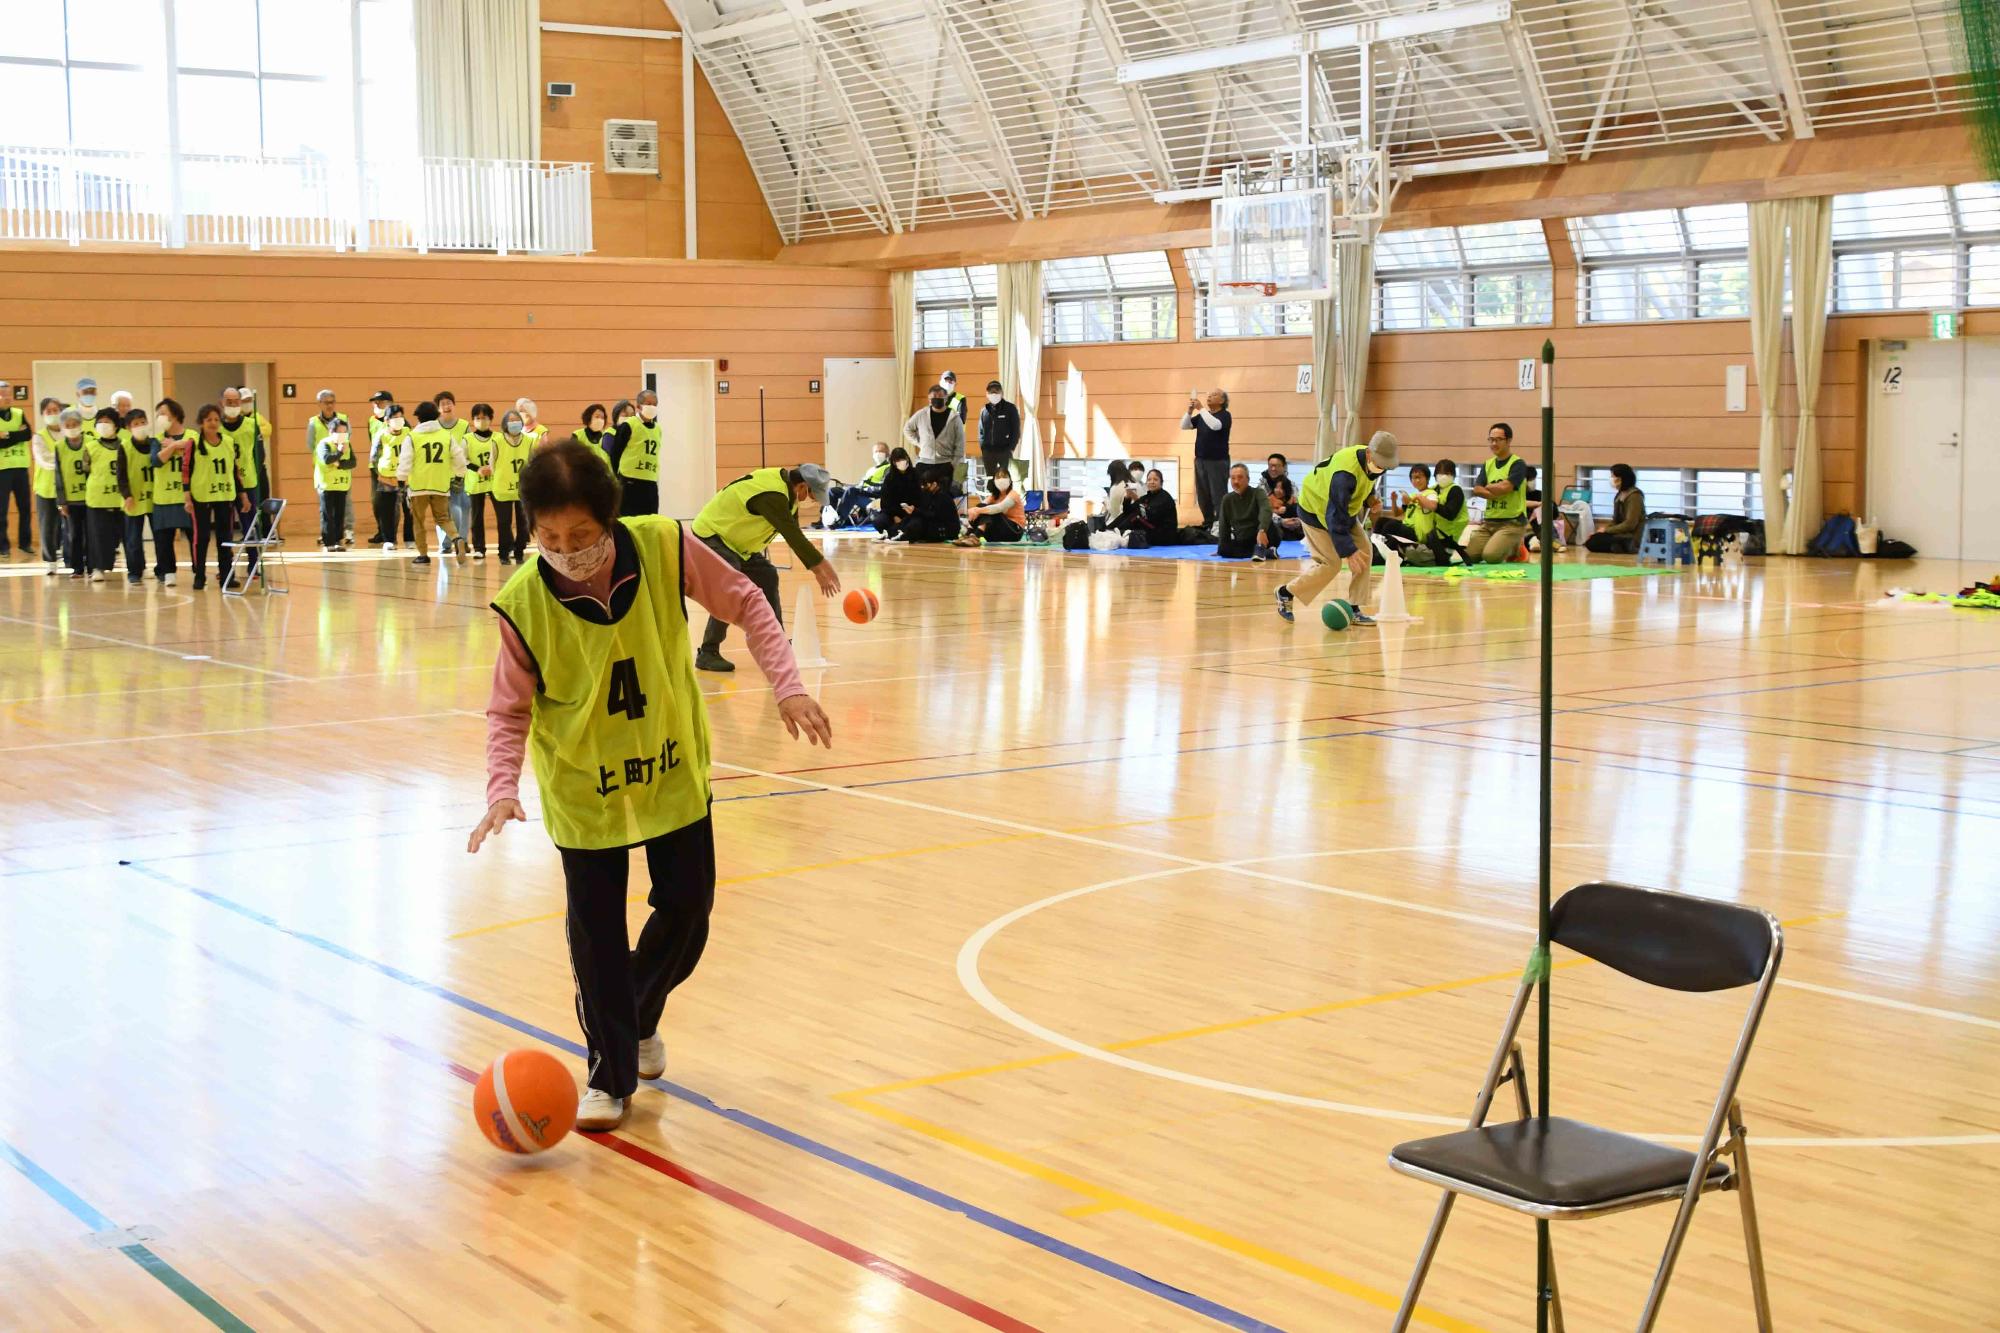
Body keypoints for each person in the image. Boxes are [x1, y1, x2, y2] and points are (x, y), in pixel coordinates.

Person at [467, 439, 832, 1131]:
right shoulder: (522, 602)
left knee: (688, 913)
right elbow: (507, 708)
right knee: (596, 936)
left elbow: (750, 600)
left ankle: (631, 1019)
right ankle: (609, 1069)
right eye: (549, 537)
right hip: (582, 785)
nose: (565, 548)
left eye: (580, 534)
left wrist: (787, 686)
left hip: (669, 767)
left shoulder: (664, 545)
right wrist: (500, 788)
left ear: (610, 519)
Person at [690, 464, 840, 673]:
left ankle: (776, 643)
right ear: (803, 487)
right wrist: (820, 568)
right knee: (732, 583)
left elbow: (794, 534)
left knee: (767, 575)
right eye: (814, 496)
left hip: (736, 544)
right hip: (713, 534)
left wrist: (820, 566)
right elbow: (792, 535)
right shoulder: (773, 494)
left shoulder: (788, 496)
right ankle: (708, 651)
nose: (814, 502)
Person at [1278, 430, 1398, 624]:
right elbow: (1335, 515)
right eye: (1380, 464)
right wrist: (1348, 551)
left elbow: (1364, 484)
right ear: (1369, 453)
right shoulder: (1344, 474)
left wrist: (1370, 500)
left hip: (1344, 512)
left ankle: (1355, 607)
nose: (1382, 469)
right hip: (1315, 510)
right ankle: (1286, 592)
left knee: (1365, 552)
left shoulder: (1373, 464)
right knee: (1331, 564)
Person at [184, 403, 251, 591]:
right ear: (201, 423)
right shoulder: (194, 443)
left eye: (215, 419)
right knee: (202, 537)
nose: (213, 423)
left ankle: (227, 575)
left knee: (225, 537)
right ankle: (199, 575)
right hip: (201, 496)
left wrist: (243, 496)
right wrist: (187, 497)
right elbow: (186, 470)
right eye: (208, 420)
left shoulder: (228, 442)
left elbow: (234, 471)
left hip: (224, 494)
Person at [398, 400, 466, 567]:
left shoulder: (412, 437)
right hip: (441, 485)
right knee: (443, 518)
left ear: (419, 418)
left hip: (418, 487)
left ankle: (423, 554)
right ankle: (456, 538)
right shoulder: (446, 436)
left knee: (418, 521)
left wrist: (401, 481)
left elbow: (405, 461)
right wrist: (459, 476)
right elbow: (459, 458)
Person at [1464, 422, 1531, 563]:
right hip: (1489, 523)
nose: (1494, 443)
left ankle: (1517, 548)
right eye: (1491, 440)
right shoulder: (1488, 464)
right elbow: (1477, 489)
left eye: (1498, 440)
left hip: (1512, 523)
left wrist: (1488, 487)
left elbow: (1506, 487)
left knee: (1491, 557)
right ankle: (1505, 545)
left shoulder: (1518, 464)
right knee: (1469, 556)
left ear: (1509, 441)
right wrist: (1495, 490)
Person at [148, 398, 194, 585]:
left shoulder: (192, 434)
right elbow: (157, 460)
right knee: (163, 539)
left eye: (163, 413)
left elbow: (193, 451)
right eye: (158, 414)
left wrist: (173, 446)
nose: (160, 417)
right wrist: (176, 447)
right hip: (164, 496)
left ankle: (198, 572)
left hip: (188, 496)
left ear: (175, 415)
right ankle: (168, 573)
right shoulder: (156, 440)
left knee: (195, 538)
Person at [81, 409, 127, 583]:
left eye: (108, 421)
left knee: (125, 535)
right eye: (100, 421)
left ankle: (136, 567)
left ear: (116, 425)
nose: (104, 425)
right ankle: (98, 568)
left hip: (121, 498)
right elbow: (85, 471)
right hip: (97, 498)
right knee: (98, 536)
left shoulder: (125, 444)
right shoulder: (91, 446)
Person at [113, 407, 155, 585]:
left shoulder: (155, 443)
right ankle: (135, 571)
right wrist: (127, 495)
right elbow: (121, 475)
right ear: (129, 428)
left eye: (143, 422)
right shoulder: (125, 447)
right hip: (134, 499)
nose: (140, 426)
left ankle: (162, 570)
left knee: (160, 537)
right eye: (136, 424)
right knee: (133, 538)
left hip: (155, 497)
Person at [1181, 389, 1232, 532]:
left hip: (1217, 461)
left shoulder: (1225, 415)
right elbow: (1184, 425)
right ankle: (1208, 522)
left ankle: (1221, 525)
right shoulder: (1205, 415)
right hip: (1200, 460)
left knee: (1218, 494)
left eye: (1214, 395)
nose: (1209, 397)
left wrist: (1201, 408)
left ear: (1222, 401)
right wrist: (1190, 411)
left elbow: (1215, 426)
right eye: (1208, 395)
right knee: (1203, 495)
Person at [218, 387, 272, 518]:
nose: (232, 405)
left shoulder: (252, 425)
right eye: (228, 402)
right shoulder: (217, 427)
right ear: (221, 403)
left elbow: (259, 454)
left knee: (251, 522)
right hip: (225, 483)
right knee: (225, 525)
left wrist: (255, 473)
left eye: (236, 401)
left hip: (248, 480)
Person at [51, 407, 91, 579]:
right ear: (63, 427)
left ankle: (93, 566)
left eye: (75, 424)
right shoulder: (59, 447)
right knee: (74, 535)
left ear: (80, 424)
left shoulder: (90, 442)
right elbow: (58, 476)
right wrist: (62, 502)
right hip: (71, 500)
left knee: (92, 534)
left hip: (91, 498)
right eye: (68, 424)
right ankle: (77, 568)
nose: (72, 427)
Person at [365, 389, 406, 547]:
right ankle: (381, 531)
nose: (376, 405)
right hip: (377, 468)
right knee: (377, 502)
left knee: (394, 504)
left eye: (380, 402)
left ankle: (391, 535)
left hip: (396, 472)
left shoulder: (400, 423)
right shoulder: (371, 421)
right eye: (375, 402)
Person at [491, 409, 532, 564]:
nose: (514, 422)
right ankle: (503, 553)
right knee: (504, 523)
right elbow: (492, 463)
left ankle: (519, 551)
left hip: (522, 489)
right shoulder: (497, 441)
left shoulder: (529, 441)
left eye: (517, 420)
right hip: (502, 488)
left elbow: (533, 463)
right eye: (511, 420)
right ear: (505, 424)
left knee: (523, 523)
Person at [31, 399, 67, 573]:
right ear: (43, 414)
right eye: (49, 411)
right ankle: (50, 561)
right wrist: (63, 460)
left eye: (56, 410)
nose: (53, 414)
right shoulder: (38, 436)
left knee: (71, 526)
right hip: (45, 488)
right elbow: (44, 460)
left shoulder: (69, 433)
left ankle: (73, 559)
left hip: (67, 489)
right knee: (47, 526)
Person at [1215, 463, 1279, 561]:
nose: (1236, 481)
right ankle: (1266, 552)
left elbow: (1265, 510)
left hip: (1262, 535)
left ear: (1248, 479)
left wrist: (1262, 530)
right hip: (1243, 539)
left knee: (1270, 525)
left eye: (1240, 477)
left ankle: (1262, 548)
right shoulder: (1227, 499)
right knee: (1224, 550)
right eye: (1233, 478)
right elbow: (1224, 525)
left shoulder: (1258, 493)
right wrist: (1221, 549)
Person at [314, 414, 358, 552]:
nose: (342, 435)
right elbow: (327, 459)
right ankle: (328, 542)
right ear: (331, 432)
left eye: (344, 432)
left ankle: (338, 540)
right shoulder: (324, 444)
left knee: (340, 514)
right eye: (339, 432)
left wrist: (339, 464)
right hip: (326, 485)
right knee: (327, 514)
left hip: (342, 485)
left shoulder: (347, 445)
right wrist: (339, 453)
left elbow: (353, 462)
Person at [616, 388, 662, 517]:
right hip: (630, 482)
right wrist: (617, 477)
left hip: (650, 482)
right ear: (638, 406)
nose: (652, 407)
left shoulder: (658, 429)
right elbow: (615, 453)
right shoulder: (629, 425)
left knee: (651, 521)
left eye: (654, 404)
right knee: (628, 521)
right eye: (648, 404)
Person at [372, 404, 412, 550]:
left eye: (400, 417)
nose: (398, 420)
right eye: (394, 418)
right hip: (387, 479)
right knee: (387, 511)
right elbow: (374, 457)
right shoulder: (382, 435)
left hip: (406, 478)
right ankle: (389, 539)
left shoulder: (408, 432)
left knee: (409, 510)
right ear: (387, 420)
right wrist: (381, 472)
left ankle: (410, 539)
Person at [1583, 464, 1646, 553]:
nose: (1611, 478)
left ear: (1621, 478)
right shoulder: (1619, 495)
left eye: (1613, 476)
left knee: (1594, 542)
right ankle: (1617, 546)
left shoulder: (1634, 496)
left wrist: (1607, 530)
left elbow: (1630, 524)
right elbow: (1615, 521)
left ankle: (1624, 546)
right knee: (1592, 540)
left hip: (1632, 535)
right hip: (1621, 533)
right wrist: (1601, 531)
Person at [0, 379, 31, 556]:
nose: (7, 397)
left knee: (25, 508)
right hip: (2, 470)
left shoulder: (19, 413)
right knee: (1, 510)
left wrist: (6, 435)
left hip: (21, 467)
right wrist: (16, 435)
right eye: (3, 394)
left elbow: (27, 434)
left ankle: (25, 543)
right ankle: (3, 546)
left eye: (9, 393)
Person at [463, 403, 497, 559]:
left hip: (496, 481)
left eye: (485, 417)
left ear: (491, 419)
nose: (481, 421)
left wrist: (492, 467)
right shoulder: (467, 439)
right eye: (478, 418)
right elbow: (463, 459)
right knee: (477, 516)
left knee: (503, 516)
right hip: (476, 482)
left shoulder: (498, 437)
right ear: (473, 420)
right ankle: (479, 548)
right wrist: (478, 468)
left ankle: (506, 546)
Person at [902, 384, 965, 467]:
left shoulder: (955, 418)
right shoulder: (921, 414)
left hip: (947, 462)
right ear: (929, 399)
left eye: (940, 396)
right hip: (925, 461)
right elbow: (907, 429)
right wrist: (920, 442)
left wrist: (957, 465)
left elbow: (960, 443)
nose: (937, 399)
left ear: (946, 398)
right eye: (934, 396)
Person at [829, 444, 891, 529]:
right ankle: (829, 517)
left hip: (873, 498)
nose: (878, 454)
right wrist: (847, 488)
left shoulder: (888, 468)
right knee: (833, 490)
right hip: (860, 493)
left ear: (887, 454)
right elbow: (860, 484)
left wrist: (867, 488)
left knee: (851, 491)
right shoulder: (871, 470)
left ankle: (839, 520)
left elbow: (884, 487)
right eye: (876, 452)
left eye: (881, 451)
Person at [958, 470, 1024, 545]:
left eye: (1004, 477)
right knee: (982, 508)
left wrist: (977, 510)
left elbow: (999, 508)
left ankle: (975, 535)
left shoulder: (1013, 494)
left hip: (1014, 531)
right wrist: (973, 510)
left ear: (1010, 480)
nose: (1001, 479)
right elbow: (981, 505)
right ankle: (969, 534)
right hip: (999, 533)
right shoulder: (994, 496)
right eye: (998, 477)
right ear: (994, 481)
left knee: (987, 510)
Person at [897, 467, 960, 543]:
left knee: (918, 524)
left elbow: (934, 515)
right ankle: (897, 533)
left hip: (946, 530)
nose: (923, 487)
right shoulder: (930, 494)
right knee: (911, 519)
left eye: (926, 484)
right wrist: (913, 511)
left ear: (934, 484)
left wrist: (915, 511)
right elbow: (925, 511)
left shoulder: (943, 496)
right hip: (936, 525)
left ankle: (903, 537)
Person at [977, 380, 1020, 484]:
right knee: (991, 482)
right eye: (991, 391)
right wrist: (983, 448)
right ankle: (993, 499)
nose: (994, 394)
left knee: (1005, 481)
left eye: (997, 391)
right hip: (988, 452)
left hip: (1004, 451)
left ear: (1001, 393)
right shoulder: (984, 410)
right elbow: (981, 431)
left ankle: (1006, 500)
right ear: (987, 394)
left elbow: (1016, 430)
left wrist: (1010, 448)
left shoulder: (1010, 408)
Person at [875, 446, 919, 539]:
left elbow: (920, 497)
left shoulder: (916, 475)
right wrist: (895, 515)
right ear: (893, 462)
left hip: (912, 512)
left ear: (907, 459)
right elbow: (886, 502)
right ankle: (897, 530)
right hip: (893, 514)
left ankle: (894, 532)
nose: (901, 462)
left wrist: (912, 511)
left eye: (903, 459)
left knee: (916, 524)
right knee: (879, 521)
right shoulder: (889, 478)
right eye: (898, 460)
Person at [574, 403, 614, 470]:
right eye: (597, 416)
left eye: (602, 418)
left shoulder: (607, 437)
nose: (600, 420)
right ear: (589, 417)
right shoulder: (577, 435)